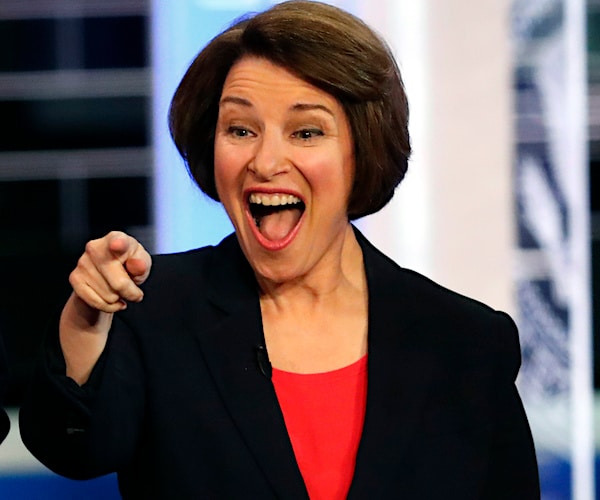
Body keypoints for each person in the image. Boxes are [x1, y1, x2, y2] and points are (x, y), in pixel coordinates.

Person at [19, 1, 540, 498]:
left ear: (363, 149)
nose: (266, 161)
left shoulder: (466, 343)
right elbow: (73, 450)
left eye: (306, 131)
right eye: (240, 129)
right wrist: (86, 320)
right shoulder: (152, 312)